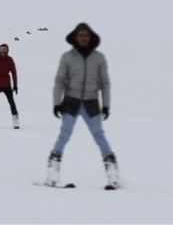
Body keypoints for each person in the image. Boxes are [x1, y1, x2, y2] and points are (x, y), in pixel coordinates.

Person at [44, 23, 120, 188]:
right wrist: (57, 103)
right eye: (80, 35)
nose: (83, 38)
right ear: (75, 37)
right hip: (71, 102)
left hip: (91, 103)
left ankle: (113, 176)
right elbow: (59, 81)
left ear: (90, 37)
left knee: (99, 135)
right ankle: (52, 175)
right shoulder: (67, 57)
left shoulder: (99, 57)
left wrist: (106, 105)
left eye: (86, 35)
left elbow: (105, 83)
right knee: (64, 135)